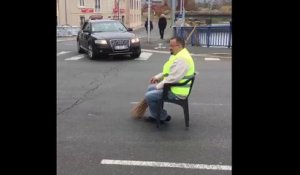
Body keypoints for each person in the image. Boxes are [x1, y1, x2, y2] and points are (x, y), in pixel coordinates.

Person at [144, 36, 195, 123]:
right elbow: (169, 72)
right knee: (150, 88)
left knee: (149, 96)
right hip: (172, 87)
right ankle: (158, 115)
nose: (169, 48)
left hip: (177, 92)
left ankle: (162, 116)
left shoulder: (183, 59)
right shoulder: (178, 55)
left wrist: (158, 86)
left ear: (179, 46)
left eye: (172, 46)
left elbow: (173, 78)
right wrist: (158, 77)